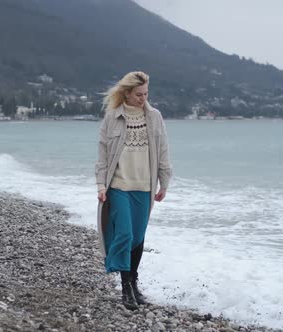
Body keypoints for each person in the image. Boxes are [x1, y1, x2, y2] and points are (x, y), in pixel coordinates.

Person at [95, 71, 172, 310]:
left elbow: (163, 151)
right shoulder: (112, 117)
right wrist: (100, 185)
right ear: (127, 93)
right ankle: (125, 287)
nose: (143, 98)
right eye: (139, 94)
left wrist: (164, 182)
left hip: (144, 187)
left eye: (146, 93)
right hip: (118, 186)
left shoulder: (155, 117)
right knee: (125, 234)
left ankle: (134, 284)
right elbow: (103, 154)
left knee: (138, 239)